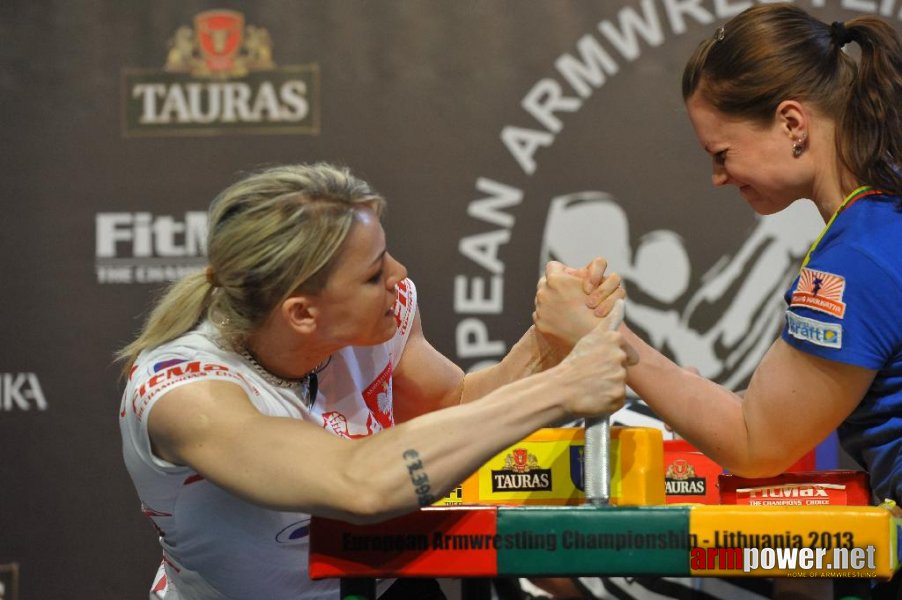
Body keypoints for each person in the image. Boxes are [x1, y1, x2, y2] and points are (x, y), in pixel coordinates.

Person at [117, 162, 633, 600]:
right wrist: (560, 388)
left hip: (384, 586)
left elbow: (448, 410)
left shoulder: (380, 321)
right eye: (372, 275)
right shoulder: (187, 392)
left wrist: (546, 345)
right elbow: (358, 485)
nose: (400, 274)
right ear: (302, 313)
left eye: (386, 254)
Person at [534, 4, 902, 598]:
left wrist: (607, 337)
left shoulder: (856, 259)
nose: (718, 177)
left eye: (722, 153)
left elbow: (757, 443)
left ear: (792, 124)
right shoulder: (880, 223)